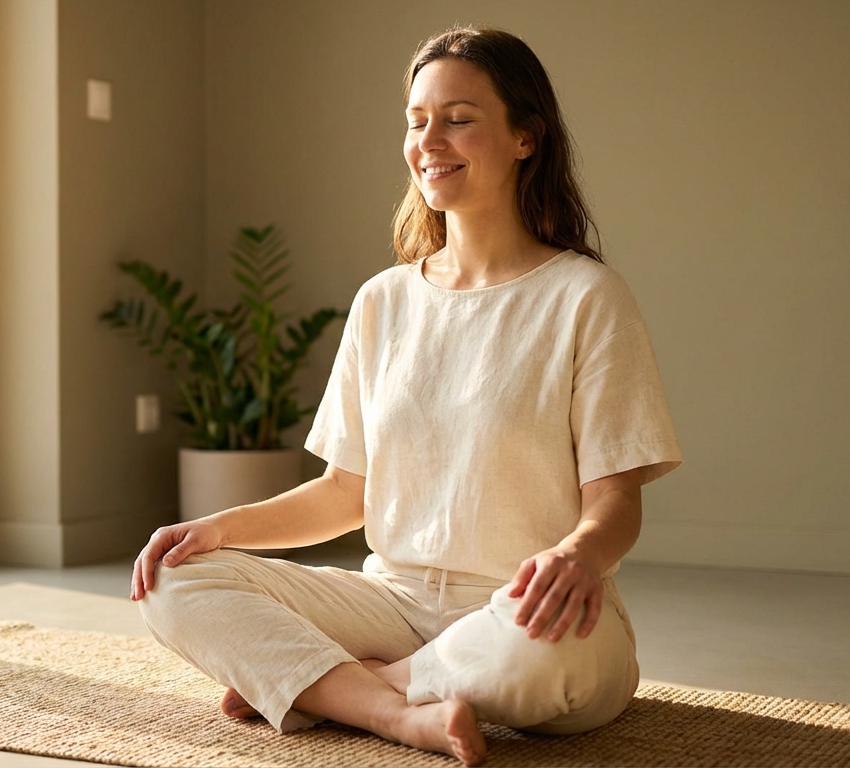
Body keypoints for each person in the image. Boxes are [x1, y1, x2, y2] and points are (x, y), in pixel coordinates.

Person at [131, 26, 682, 767]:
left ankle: (337, 687)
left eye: (458, 117)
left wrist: (579, 557)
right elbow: (344, 494)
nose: (430, 139)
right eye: (416, 120)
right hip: (390, 605)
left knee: (540, 655)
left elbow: (616, 503)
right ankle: (395, 712)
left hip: (524, 615)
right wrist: (219, 529)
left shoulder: (586, 297)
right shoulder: (383, 302)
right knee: (171, 575)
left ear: (526, 137)